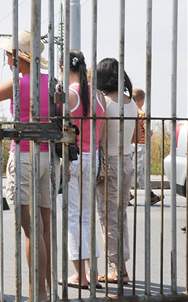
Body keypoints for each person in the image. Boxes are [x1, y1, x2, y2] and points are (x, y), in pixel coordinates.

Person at [0, 31, 58, 300]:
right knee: (46, 227)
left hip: (24, 153)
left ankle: (35, 291)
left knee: (31, 228)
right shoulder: (51, 82)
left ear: (17, 57)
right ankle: (48, 289)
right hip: (47, 155)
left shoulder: (17, 84)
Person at [62, 50, 105, 288]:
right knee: (88, 216)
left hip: (74, 157)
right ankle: (93, 272)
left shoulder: (71, 94)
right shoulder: (98, 96)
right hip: (94, 157)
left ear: (64, 68)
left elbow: (62, 126)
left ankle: (80, 275)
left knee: (73, 217)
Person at [96, 57, 137, 284]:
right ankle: (121, 265)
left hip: (109, 162)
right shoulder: (131, 102)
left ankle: (117, 268)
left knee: (107, 217)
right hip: (127, 161)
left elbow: (99, 137)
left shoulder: (104, 102)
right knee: (120, 214)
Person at [131, 88, 160, 205]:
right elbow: (147, 131)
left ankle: (126, 194)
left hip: (132, 144)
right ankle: (150, 196)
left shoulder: (130, 112)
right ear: (142, 100)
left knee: (131, 170)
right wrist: (150, 133)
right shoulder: (141, 114)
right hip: (141, 145)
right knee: (140, 172)